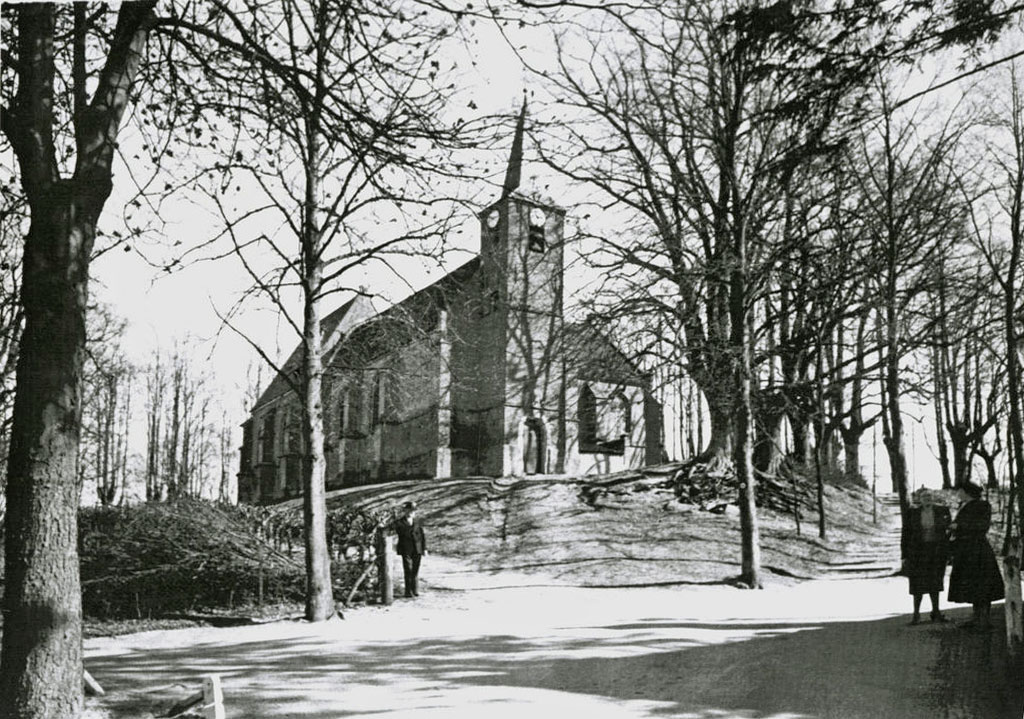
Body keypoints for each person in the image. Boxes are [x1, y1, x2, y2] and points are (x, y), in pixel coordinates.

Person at [947, 482, 1004, 631]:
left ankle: (983, 621)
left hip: (978, 551)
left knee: (982, 586)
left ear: (966, 492)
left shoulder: (982, 505)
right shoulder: (964, 506)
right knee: (972, 586)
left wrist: (959, 527)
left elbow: (981, 526)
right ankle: (976, 619)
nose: (957, 494)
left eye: (959, 491)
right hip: (965, 551)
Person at [905, 490, 951, 624]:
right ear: (919, 499)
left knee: (935, 581)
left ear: (933, 498)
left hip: (936, 551)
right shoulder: (912, 513)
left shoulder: (942, 511)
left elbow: (949, 530)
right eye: (924, 497)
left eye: (929, 496)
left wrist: (948, 550)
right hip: (918, 552)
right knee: (917, 583)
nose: (927, 499)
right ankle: (916, 614)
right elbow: (906, 533)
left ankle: (936, 612)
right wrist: (905, 554)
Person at [395, 501, 427, 598]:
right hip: (406, 549)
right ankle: (408, 591)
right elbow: (395, 530)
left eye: (413, 511)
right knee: (408, 570)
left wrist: (424, 548)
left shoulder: (418, 522)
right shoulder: (399, 523)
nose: (410, 513)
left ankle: (415, 590)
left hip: (417, 549)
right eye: (408, 511)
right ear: (405, 511)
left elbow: (422, 536)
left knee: (415, 570)